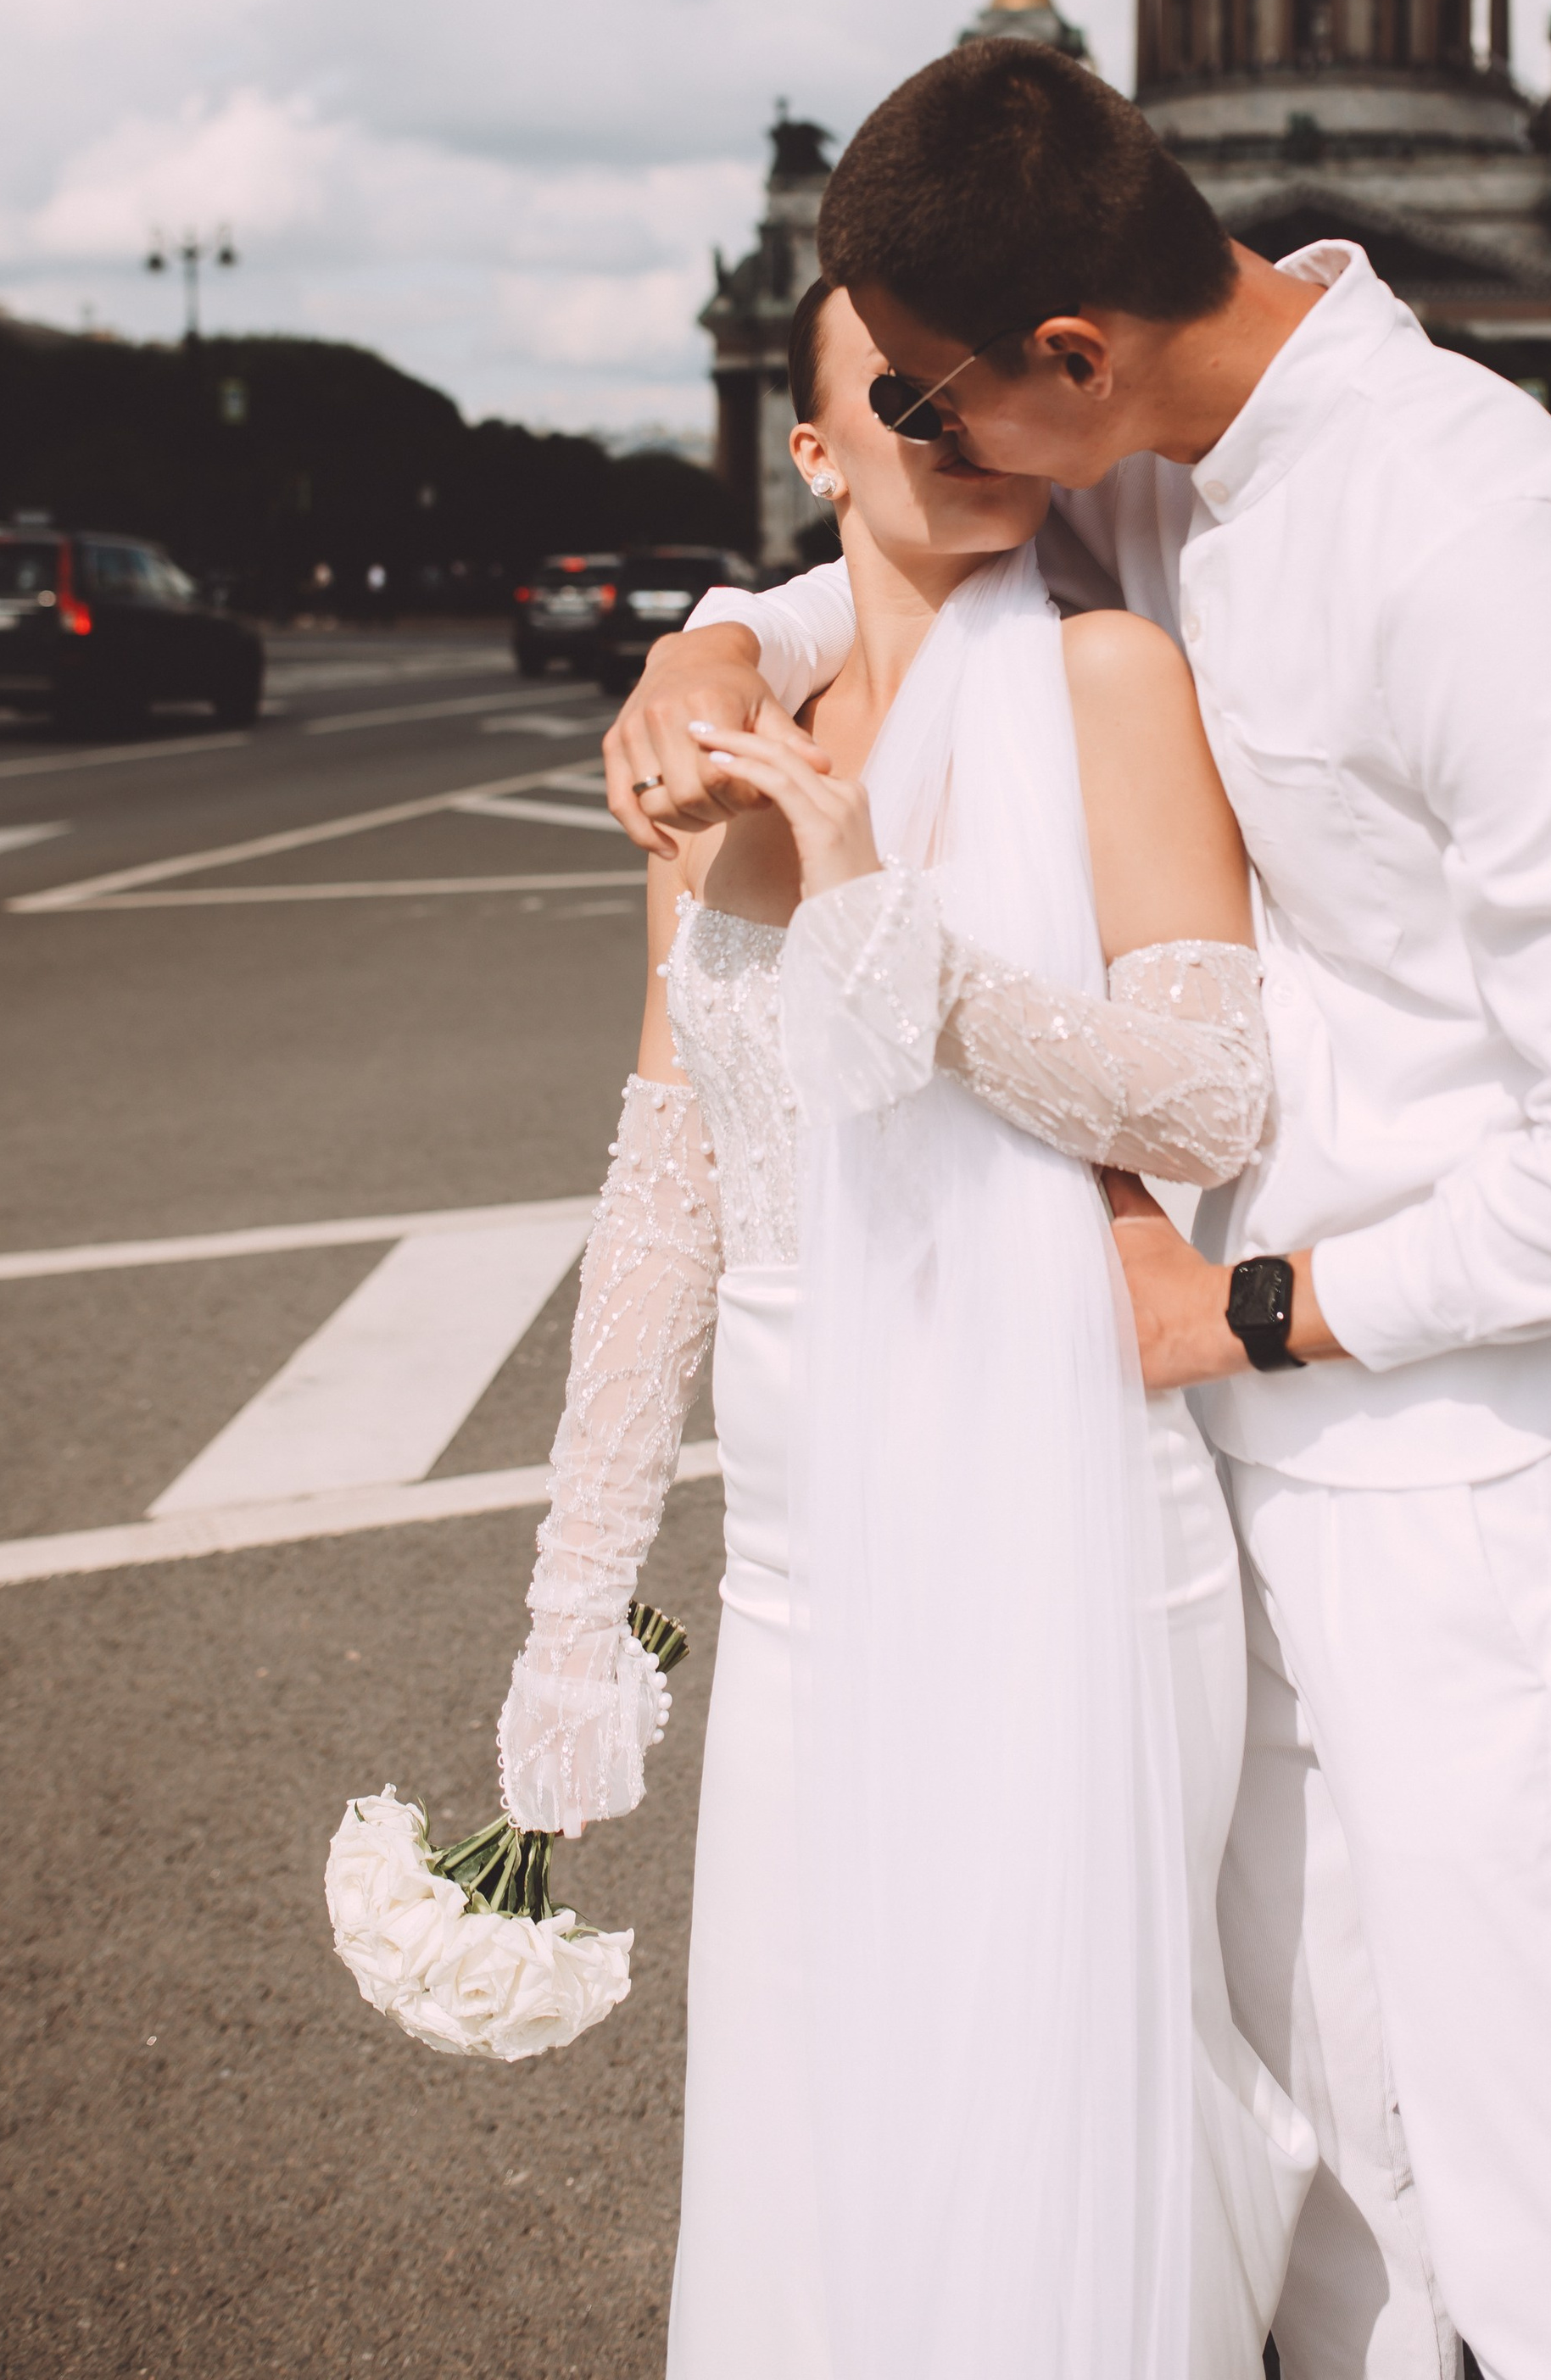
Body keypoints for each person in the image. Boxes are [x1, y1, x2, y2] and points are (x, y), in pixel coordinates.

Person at [606, 42, 1551, 2380]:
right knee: (1317, 2143)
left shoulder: (1480, 540)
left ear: (1071, 353)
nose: (927, 455)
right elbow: (919, 574)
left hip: (1461, 1446)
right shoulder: (1144, 447)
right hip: (1209, 1436)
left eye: (933, 404)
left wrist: (1255, 1307)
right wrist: (729, 631)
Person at [499, 275, 1314, 2380]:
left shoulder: (1111, 673)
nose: (944, 408)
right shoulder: (707, 743)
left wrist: (888, 931)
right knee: (818, 2066)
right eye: (892, 382)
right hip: (804, 1542)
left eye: (977, 369)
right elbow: (665, 1178)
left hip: (1059, 1494)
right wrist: (572, 1605)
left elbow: (1207, 1097)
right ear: (810, 448)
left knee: (1053, 2063)